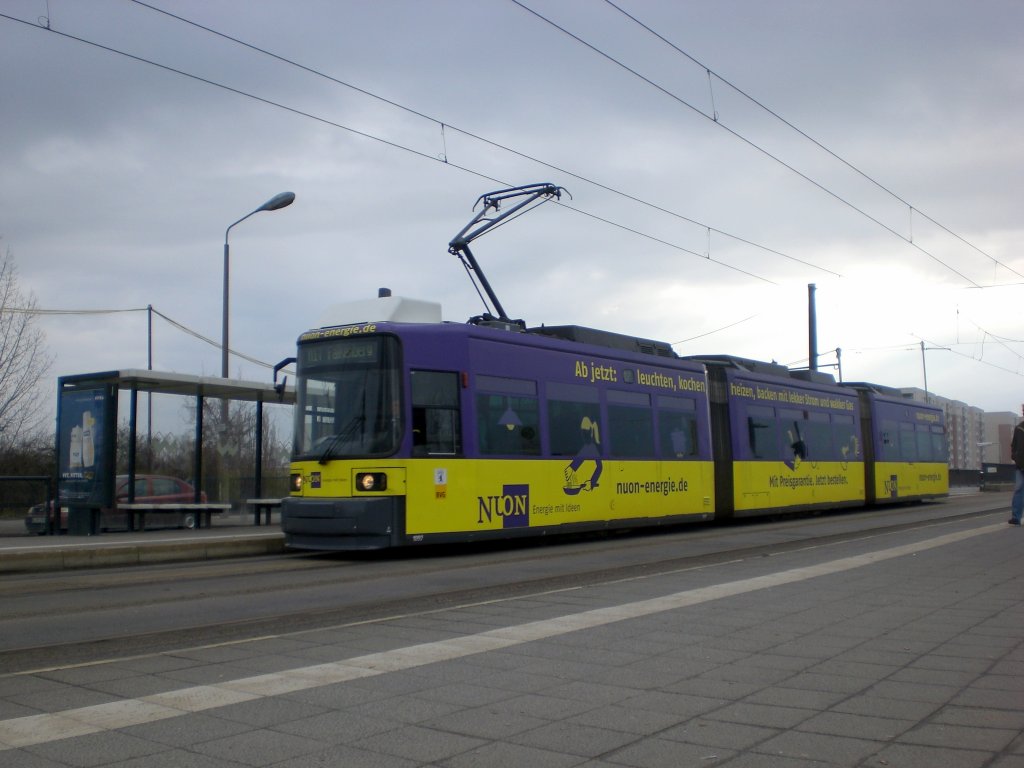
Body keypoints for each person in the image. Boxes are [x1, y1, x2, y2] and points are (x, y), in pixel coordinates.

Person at [1010, 418, 1024, 525]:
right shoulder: (1019, 428)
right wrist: (1014, 456)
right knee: (1019, 490)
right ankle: (1016, 517)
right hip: (1021, 465)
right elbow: (1013, 445)